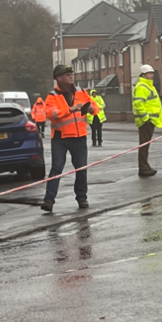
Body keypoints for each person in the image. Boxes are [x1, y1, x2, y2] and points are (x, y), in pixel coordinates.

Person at [41, 65, 97, 212]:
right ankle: (49, 200)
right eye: (67, 75)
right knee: (56, 168)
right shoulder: (52, 96)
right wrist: (70, 109)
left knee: (81, 169)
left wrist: (91, 109)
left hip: (79, 137)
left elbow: (94, 107)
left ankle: (82, 198)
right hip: (61, 137)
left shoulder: (81, 91)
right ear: (59, 78)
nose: (70, 77)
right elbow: (51, 114)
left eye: (71, 74)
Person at [132, 65, 162, 177]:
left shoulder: (148, 86)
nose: (152, 75)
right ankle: (144, 168)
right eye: (149, 73)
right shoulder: (142, 87)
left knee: (145, 145)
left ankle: (145, 166)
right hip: (146, 121)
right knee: (144, 145)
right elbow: (138, 104)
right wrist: (146, 118)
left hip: (150, 121)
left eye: (152, 73)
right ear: (143, 75)